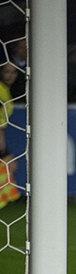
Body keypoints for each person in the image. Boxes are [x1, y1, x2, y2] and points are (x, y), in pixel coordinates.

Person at [0, 63, 21, 209]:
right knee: (9, 167)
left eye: (13, 73)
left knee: (10, 167)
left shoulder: (5, 91)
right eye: (7, 72)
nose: (10, 76)